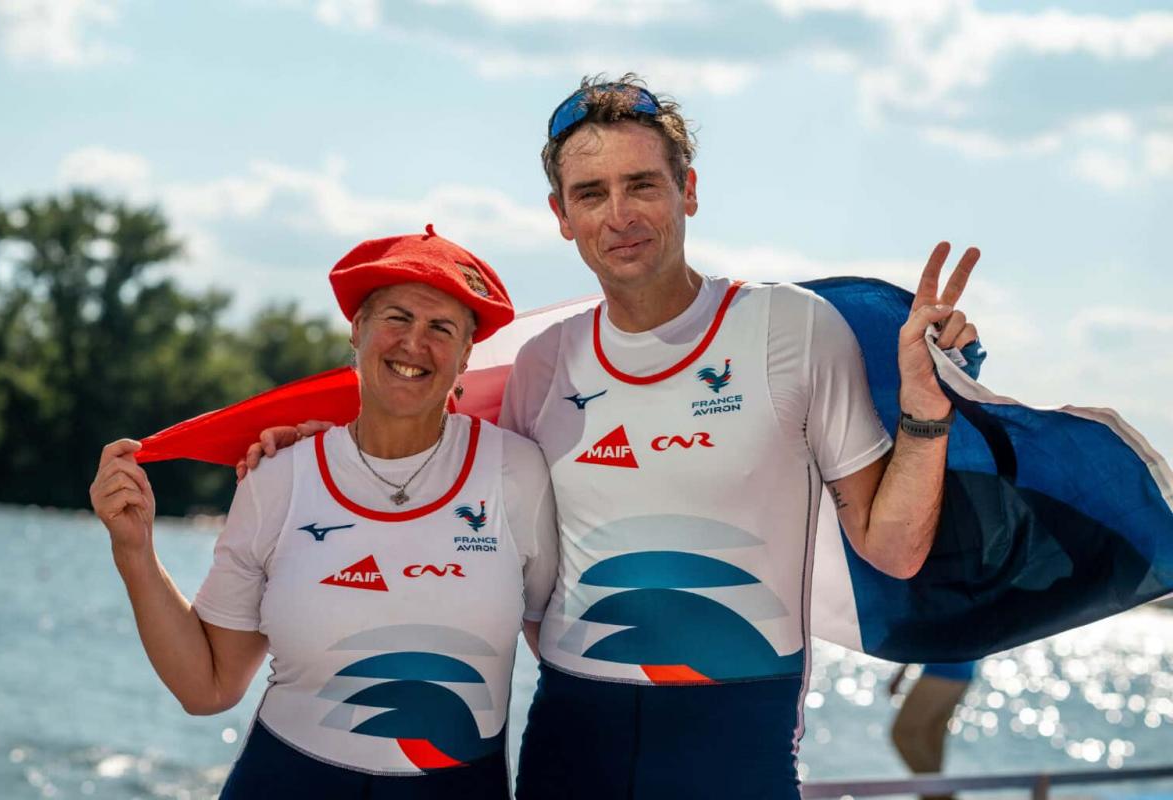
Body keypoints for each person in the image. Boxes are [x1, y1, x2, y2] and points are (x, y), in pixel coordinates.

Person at [243, 76, 982, 799]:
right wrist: (323, 452)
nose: (619, 214)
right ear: (562, 215)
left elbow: (893, 549)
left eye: (643, 185)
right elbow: (446, 481)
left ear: (688, 190)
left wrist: (925, 414)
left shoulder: (791, 330)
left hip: (734, 736)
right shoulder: (542, 364)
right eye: (591, 194)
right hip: (573, 735)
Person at [89, 226, 558, 799]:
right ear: (357, 332)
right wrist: (135, 553)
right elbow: (207, 687)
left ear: (466, 356)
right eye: (396, 318)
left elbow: (564, 658)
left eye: (441, 328)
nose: (415, 343)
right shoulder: (279, 476)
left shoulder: (518, 472)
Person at [888, 662, 979, 800]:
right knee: (930, 740)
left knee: (903, 734)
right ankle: (936, 793)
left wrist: (902, 672)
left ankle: (942, 794)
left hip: (943, 667)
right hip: (963, 666)